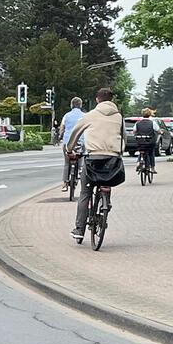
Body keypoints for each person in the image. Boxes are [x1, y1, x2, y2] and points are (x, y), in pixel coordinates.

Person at [67, 89, 126, 242]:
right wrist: (119, 151)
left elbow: (75, 133)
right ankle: (106, 203)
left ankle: (79, 229)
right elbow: (124, 137)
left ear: (97, 100)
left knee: (85, 192)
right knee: (107, 180)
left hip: (93, 158)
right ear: (112, 100)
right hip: (113, 159)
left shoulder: (90, 115)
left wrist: (69, 149)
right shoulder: (119, 117)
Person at [58, 97, 86, 193]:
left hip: (67, 142)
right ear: (81, 105)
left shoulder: (66, 116)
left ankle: (65, 183)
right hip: (80, 142)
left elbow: (62, 128)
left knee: (66, 163)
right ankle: (79, 173)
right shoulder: (84, 116)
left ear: (71, 105)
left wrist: (60, 137)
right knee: (81, 158)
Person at [132, 106, 160, 175]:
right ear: (150, 114)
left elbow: (134, 131)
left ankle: (138, 162)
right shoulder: (152, 123)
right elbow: (158, 131)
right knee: (151, 153)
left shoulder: (138, 123)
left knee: (141, 151)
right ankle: (152, 168)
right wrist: (161, 132)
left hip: (140, 141)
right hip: (150, 141)